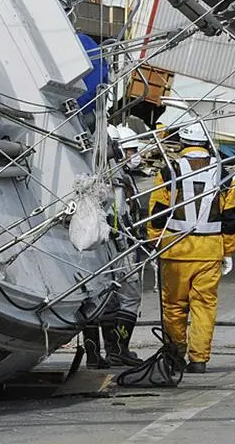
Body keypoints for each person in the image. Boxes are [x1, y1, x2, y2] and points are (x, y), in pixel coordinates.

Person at [148, 124, 235, 373]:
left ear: (183, 143)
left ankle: (175, 353)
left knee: (174, 306)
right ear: (207, 143)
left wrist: (156, 244)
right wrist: (228, 250)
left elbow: (157, 213)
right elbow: (230, 217)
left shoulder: (169, 171)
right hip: (210, 250)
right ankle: (199, 359)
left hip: (175, 250)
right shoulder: (223, 173)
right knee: (204, 306)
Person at [83, 125, 147, 368]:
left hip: (94, 244)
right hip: (119, 244)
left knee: (95, 300)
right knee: (129, 298)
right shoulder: (116, 177)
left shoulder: (89, 172)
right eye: (127, 150)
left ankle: (95, 353)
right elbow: (122, 212)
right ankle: (118, 349)